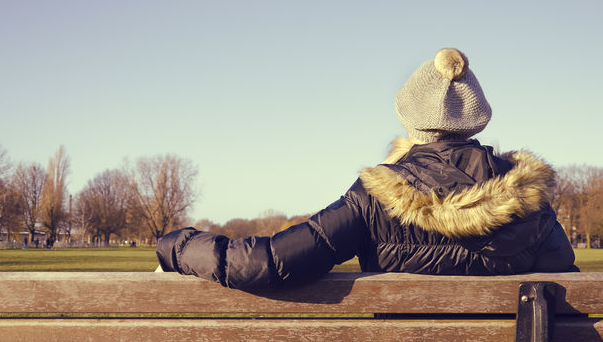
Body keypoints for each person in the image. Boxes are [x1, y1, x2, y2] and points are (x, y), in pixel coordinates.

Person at [156, 47, 576, 289]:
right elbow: (567, 288)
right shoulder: (528, 198)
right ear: (475, 121)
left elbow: (268, 263)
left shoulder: (374, 197)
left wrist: (176, 247)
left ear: (408, 121)